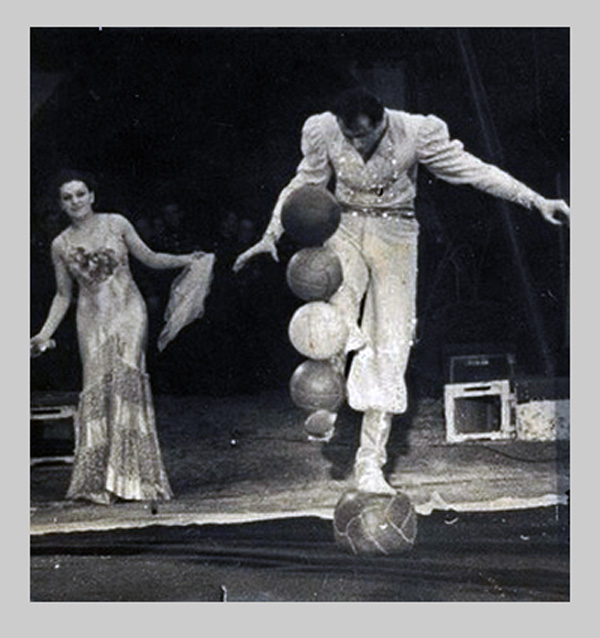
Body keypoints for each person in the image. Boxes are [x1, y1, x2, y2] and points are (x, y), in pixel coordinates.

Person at [233, 86, 570, 495]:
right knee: (334, 317)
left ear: (382, 121)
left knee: (390, 343)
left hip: (395, 233)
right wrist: (271, 233)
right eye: (349, 135)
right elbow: (304, 185)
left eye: (364, 135)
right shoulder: (323, 130)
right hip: (343, 227)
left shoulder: (416, 132)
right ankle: (325, 399)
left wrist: (535, 200)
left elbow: (473, 170)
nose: (357, 144)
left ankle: (370, 463)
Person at [31, 171, 205, 505]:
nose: (75, 202)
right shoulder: (60, 245)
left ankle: (136, 480)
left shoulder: (117, 223)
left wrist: (187, 259)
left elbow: (150, 258)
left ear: (92, 196)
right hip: (90, 320)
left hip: (129, 314)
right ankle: (101, 483)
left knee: (127, 382)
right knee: (98, 387)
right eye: (67, 197)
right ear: (61, 204)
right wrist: (44, 333)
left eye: (80, 194)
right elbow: (63, 295)